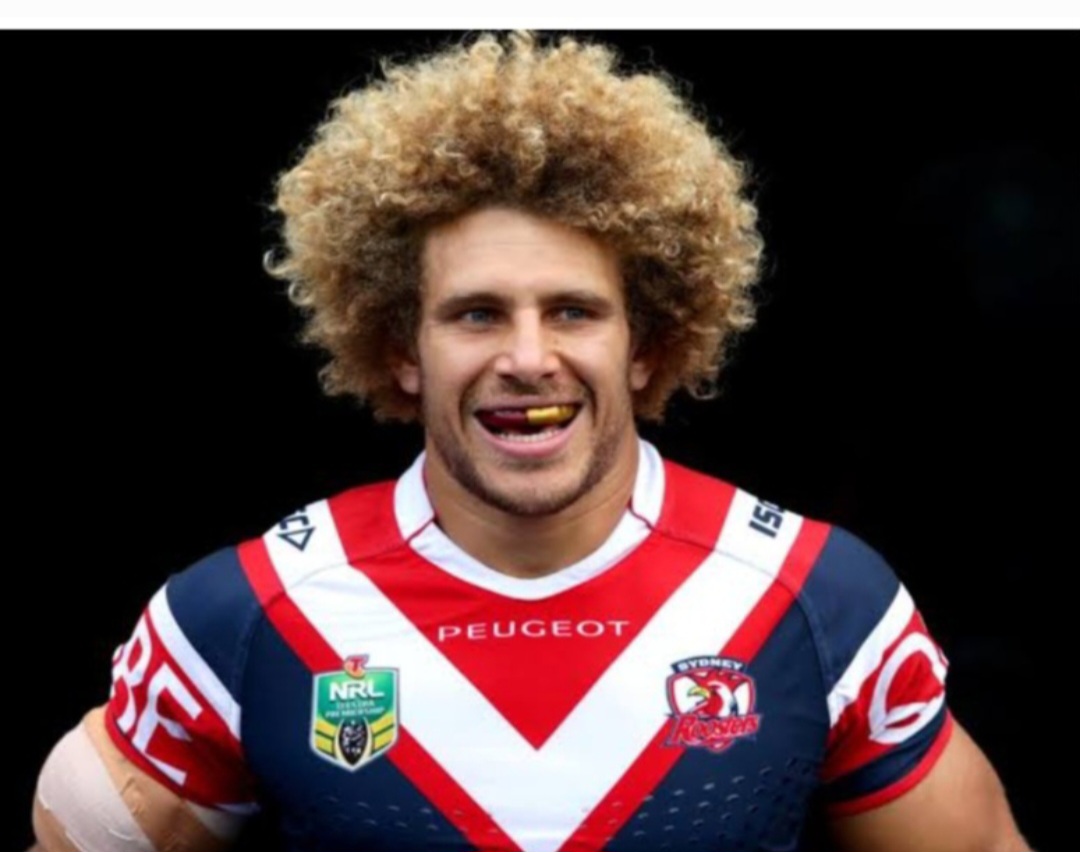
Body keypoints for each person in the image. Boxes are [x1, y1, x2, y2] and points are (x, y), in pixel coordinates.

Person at [28, 32, 1032, 852]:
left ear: (648, 344)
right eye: (476, 314)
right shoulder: (242, 615)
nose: (526, 358)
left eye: (572, 312)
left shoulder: (819, 600)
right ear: (401, 349)